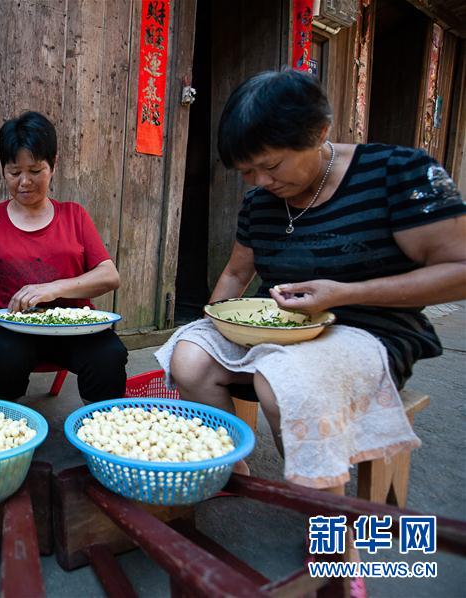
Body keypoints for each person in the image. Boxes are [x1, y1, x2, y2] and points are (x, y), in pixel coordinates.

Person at [162, 69, 465, 485]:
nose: (260, 182)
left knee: (280, 380)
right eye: (246, 172)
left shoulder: (398, 175)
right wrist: (216, 322)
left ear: (319, 132)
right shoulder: (260, 202)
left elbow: (460, 273)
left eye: (269, 166)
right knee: (189, 358)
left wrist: (343, 294)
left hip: (373, 331)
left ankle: (326, 518)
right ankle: (230, 469)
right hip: (282, 328)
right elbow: (236, 273)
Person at [0, 111, 127, 403]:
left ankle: (100, 431)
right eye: (14, 172)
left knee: (109, 355)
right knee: (7, 356)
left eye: (35, 170)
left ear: (53, 165)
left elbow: (109, 275)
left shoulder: (74, 215)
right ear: (3, 170)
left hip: (72, 325)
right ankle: (2, 428)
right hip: (10, 327)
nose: (25, 182)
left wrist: (51, 288)